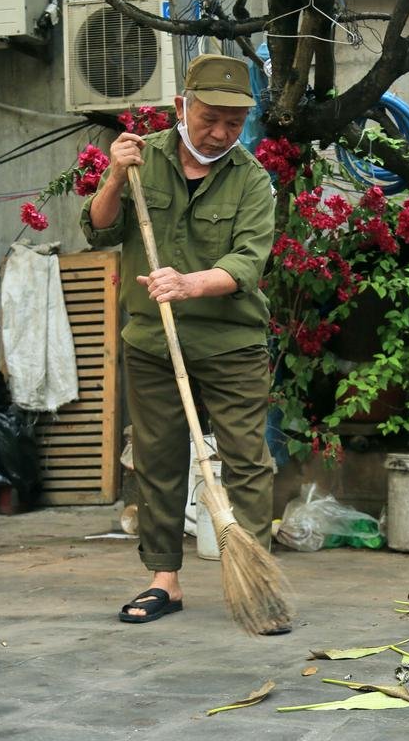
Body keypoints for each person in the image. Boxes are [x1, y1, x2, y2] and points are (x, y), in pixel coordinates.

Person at [80, 54, 283, 629]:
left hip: (231, 343)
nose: (220, 132)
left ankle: (257, 578)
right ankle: (163, 579)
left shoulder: (251, 180)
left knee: (247, 460)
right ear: (181, 108)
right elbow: (100, 227)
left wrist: (189, 282)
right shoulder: (142, 158)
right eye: (209, 118)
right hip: (152, 340)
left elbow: (246, 261)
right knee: (158, 459)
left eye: (233, 122)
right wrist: (116, 176)